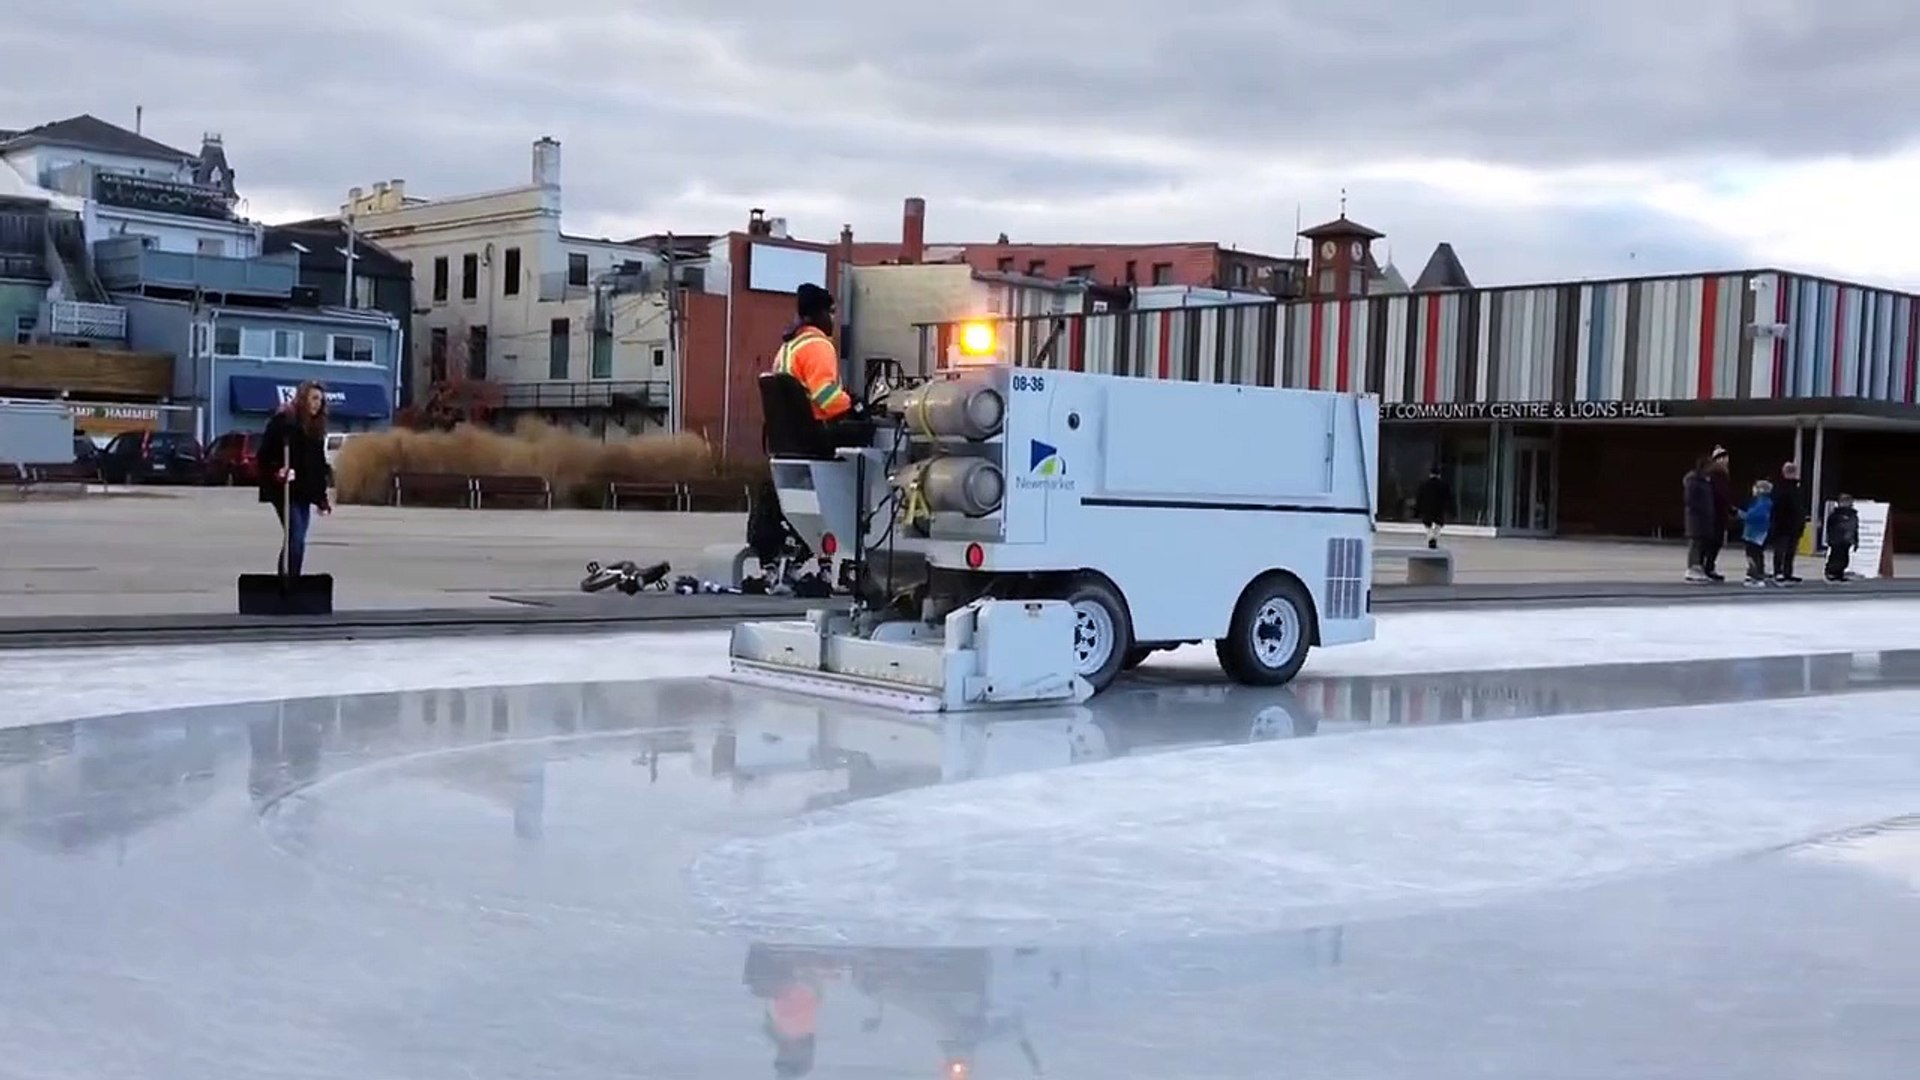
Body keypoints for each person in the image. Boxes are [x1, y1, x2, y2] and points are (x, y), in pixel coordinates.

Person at [257, 381, 332, 576]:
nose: (317, 404)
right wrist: (277, 470)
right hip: (284, 490)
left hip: (303, 491)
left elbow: (317, 465)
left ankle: (291, 577)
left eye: (320, 400)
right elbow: (264, 454)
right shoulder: (285, 422)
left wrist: (322, 498)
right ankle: (288, 578)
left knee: (297, 539)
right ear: (303, 398)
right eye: (314, 398)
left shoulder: (315, 429)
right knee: (295, 535)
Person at [1682, 457, 1719, 583]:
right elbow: (1689, 499)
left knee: (1702, 544)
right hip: (1696, 518)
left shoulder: (1706, 480)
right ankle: (1692, 569)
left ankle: (1699, 568)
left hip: (1705, 518)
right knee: (1695, 544)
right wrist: (1701, 509)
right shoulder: (1693, 480)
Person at [1768, 460, 1805, 583]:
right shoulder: (1781, 488)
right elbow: (1776, 507)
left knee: (1790, 551)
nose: (1792, 473)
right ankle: (1778, 571)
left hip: (1793, 524)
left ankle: (1787, 572)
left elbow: (1800, 507)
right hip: (1783, 524)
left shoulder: (1796, 488)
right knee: (1781, 550)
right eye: (1789, 471)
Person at [1737, 478, 1773, 587]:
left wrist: (1742, 515)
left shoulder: (1761, 503)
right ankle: (1758, 572)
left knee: (1752, 554)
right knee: (1757, 553)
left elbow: (1754, 516)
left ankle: (1754, 575)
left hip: (1754, 532)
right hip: (1759, 532)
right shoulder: (1765, 502)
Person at [1413, 467, 1452, 550]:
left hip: (1427, 510)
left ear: (1430, 474)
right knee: (1438, 525)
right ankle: (1434, 538)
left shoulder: (1424, 485)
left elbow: (1419, 499)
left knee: (1428, 525)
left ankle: (1431, 537)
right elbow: (1448, 499)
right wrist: (1451, 511)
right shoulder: (1444, 485)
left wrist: (1416, 512)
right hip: (1439, 510)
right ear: (1439, 475)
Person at [1825, 494, 1860, 582]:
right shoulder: (1835, 515)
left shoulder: (1852, 515)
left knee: (1844, 558)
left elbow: (1854, 528)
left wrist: (1855, 540)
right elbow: (1830, 528)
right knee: (1835, 556)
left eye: (1848, 501)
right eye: (1844, 501)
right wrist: (1830, 539)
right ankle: (1832, 572)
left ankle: (1839, 572)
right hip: (1837, 540)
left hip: (1846, 541)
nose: (1846, 503)